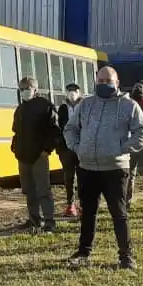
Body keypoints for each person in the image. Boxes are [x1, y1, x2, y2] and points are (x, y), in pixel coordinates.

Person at [63, 66, 143, 269]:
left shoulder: (129, 106)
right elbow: (70, 128)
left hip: (115, 169)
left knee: (119, 213)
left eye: (108, 80)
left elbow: (142, 133)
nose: (104, 84)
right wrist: (77, 147)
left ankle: (126, 256)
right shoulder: (86, 104)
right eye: (100, 81)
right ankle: (84, 252)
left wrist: (122, 148)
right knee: (88, 212)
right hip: (87, 167)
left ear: (117, 83)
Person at [12, 76, 59, 232]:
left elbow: (55, 130)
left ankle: (49, 221)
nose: (25, 91)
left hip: (39, 155)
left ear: (35, 89)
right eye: (22, 88)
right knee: (29, 189)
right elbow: (16, 132)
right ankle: (34, 220)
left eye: (27, 88)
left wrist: (46, 150)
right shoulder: (20, 109)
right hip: (23, 156)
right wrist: (15, 149)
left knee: (43, 189)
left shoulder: (45, 106)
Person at [57, 82, 83, 217]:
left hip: (82, 147)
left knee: (83, 176)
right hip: (66, 148)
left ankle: (84, 204)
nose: (72, 93)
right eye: (69, 90)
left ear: (79, 92)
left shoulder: (84, 106)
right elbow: (59, 126)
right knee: (69, 177)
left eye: (75, 90)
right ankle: (70, 204)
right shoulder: (62, 108)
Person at [126, 82, 143, 211]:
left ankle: (127, 202)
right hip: (142, 144)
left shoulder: (129, 105)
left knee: (130, 174)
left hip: (136, 144)